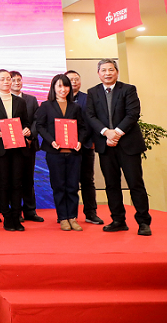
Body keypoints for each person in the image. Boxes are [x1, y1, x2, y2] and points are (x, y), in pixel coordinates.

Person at [85, 59, 152, 236]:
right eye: (103, 70)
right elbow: (90, 116)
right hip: (105, 145)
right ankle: (118, 220)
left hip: (128, 144)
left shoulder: (128, 89)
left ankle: (143, 222)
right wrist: (106, 132)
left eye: (111, 69)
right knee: (111, 184)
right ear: (98, 73)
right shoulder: (92, 92)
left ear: (117, 71)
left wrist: (116, 133)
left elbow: (133, 113)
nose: (107, 73)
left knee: (135, 183)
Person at [0, 69, 32, 232]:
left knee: (17, 183)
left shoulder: (20, 101)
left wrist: (27, 130)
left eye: (8, 78)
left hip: (18, 148)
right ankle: (7, 216)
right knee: (3, 183)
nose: (6, 82)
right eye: (2, 79)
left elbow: (26, 122)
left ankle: (17, 215)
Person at [37, 74, 87, 232]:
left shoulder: (75, 107)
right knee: (59, 186)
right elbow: (40, 126)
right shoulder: (46, 106)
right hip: (54, 152)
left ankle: (73, 217)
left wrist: (80, 141)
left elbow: (83, 128)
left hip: (73, 153)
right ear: (53, 88)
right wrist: (51, 140)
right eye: (59, 86)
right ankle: (63, 217)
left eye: (65, 86)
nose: (63, 89)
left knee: (73, 186)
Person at [66, 70, 103, 225]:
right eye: (70, 79)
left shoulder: (88, 98)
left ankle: (91, 213)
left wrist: (91, 140)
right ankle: (69, 214)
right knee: (69, 182)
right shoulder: (59, 100)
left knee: (87, 180)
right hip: (66, 147)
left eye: (77, 79)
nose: (74, 82)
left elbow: (94, 121)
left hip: (86, 145)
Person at [10, 71, 44, 223]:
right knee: (13, 180)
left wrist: (30, 136)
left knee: (28, 179)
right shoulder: (3, 100)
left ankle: (30, 211)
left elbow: (37, 120)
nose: (17, 82)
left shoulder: (31, 99)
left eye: (19, 80)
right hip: (10, 147)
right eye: (13, 80)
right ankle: (15, 211)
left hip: (28, 145)